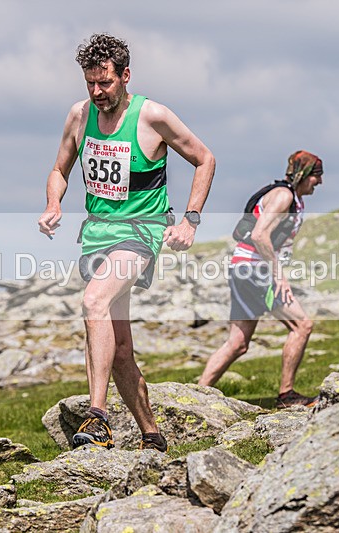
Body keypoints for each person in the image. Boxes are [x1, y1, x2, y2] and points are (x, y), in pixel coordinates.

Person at [38, 34, 215, 451]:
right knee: (117, 350)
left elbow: (205, 158)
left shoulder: (152, 116)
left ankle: (97, 418)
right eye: (90, 84)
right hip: (96, 236)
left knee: (93, 302)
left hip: (140, 233)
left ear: (125, 76)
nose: (97, 93)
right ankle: (152, 435)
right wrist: (52, 203)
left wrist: (190, 220)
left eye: (106, 83)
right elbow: (60, 169)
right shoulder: (79, 116)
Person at [198, 151, 323, 409]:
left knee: (238, 344)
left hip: (244, 268)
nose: (319, 183)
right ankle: (286, 395)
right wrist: (279, 275)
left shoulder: (291, 197)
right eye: (316, 177)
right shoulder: (284, 196)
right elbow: (259, 235)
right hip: (254, 271)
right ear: (304, 175)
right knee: (302, 325)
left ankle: (196, 394)